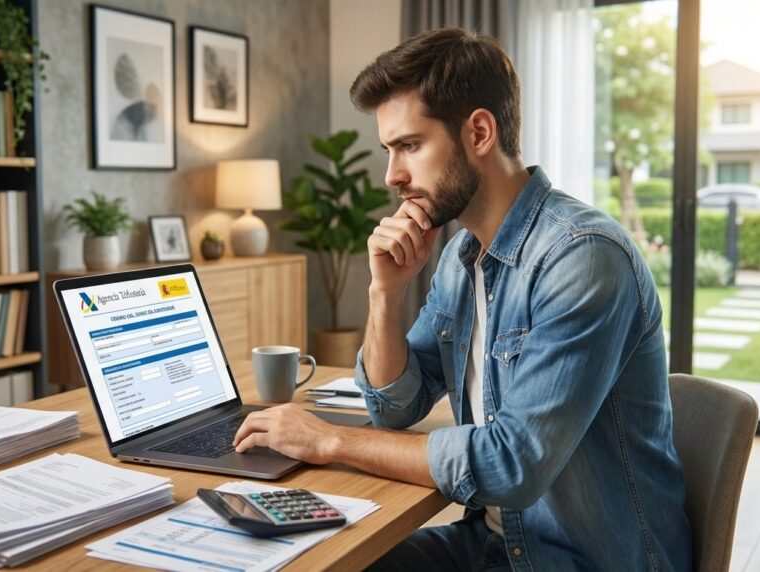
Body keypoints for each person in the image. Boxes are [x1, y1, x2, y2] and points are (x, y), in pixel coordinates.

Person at [233, 27, 692, 571]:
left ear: (478, 132)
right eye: (389, 149)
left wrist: (328, 441)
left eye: (409, 145)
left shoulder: (582, 258)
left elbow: (511, 465)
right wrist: (386, 292)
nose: (392, 175)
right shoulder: (460, 259)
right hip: (497, 544)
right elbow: (394, 407)